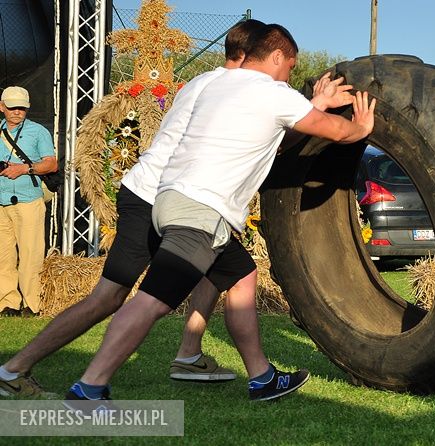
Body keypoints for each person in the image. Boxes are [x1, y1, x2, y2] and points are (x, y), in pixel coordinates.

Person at [65, 23, 376, 403]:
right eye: (290, 67)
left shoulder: (216, 85)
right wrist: (358, 127)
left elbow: (275, 137)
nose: (288, 76)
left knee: (243, 275)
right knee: (152, 301)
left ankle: (262, 378)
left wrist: (315, 105)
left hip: (172, 201)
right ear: (278, 56)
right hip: (201, 212)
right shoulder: (273, 92)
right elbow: (334, 131)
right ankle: (90, 388)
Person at [0, 19, 263, 398]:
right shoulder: (228, 90)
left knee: (229, 266)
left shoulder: (205, 84)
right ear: (252, 55)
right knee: (111, 297)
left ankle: (193, 356)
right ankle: (34, 373)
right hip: (159, 200)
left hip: (162, 197)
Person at [0, 86, 58, 317]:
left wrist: (25, 168)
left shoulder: (38, 132)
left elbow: (52, 164)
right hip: (1, 201)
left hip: (28, 201)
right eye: (12, 107)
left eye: (21, 107)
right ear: (2, 107)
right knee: (3, 255)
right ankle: (7, 303)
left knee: (31, 255)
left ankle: (31, 304)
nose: (17, 111)